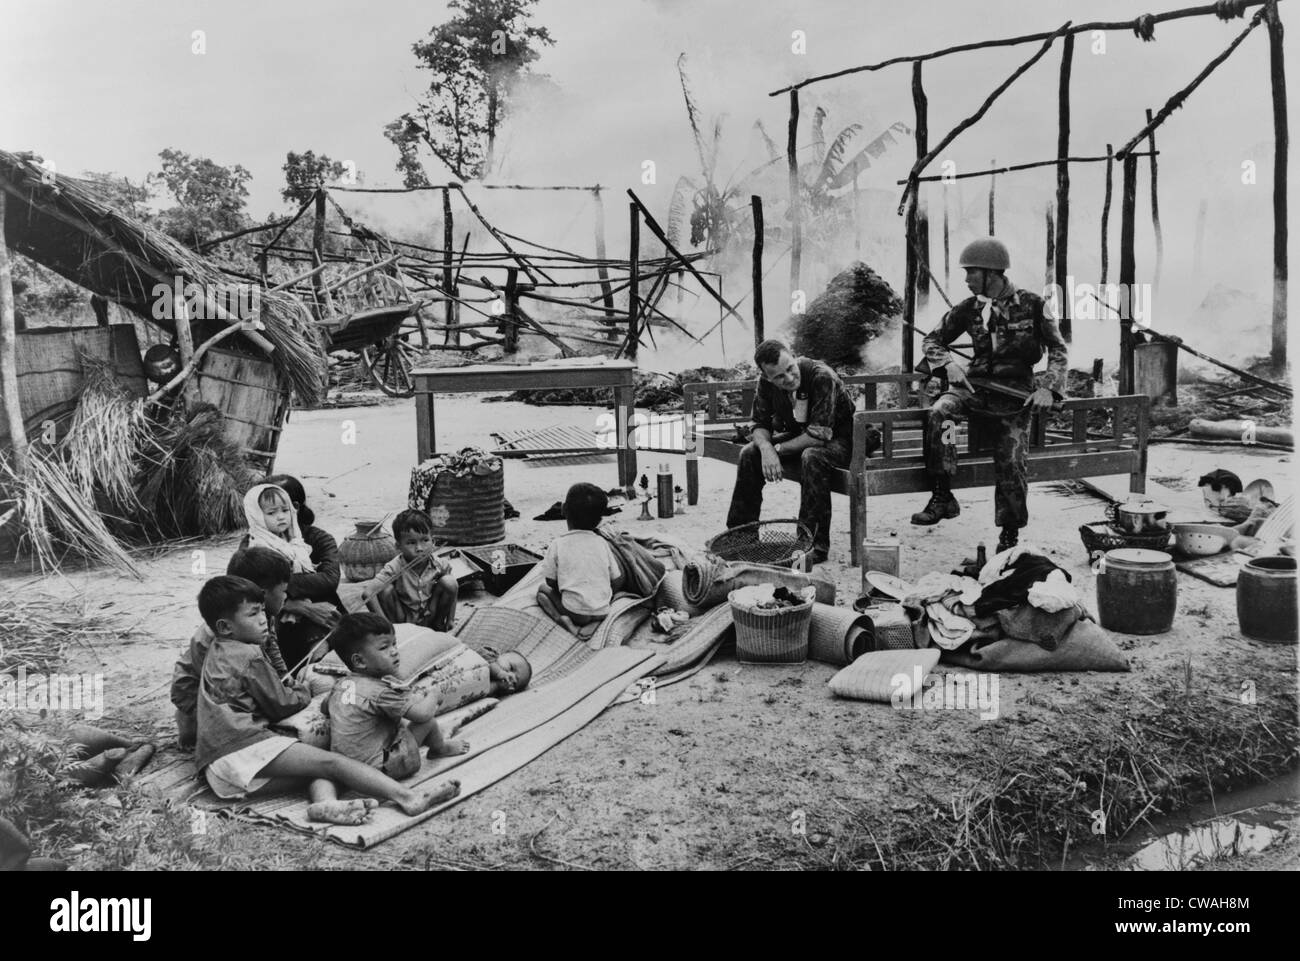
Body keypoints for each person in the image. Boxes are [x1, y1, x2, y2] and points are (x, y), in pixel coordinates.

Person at [193, 576, 458, 824]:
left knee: (319, 767)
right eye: (253, 614)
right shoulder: (248, 655)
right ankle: (409, 798)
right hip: (241, 747)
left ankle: (325, 804)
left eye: (262, 610)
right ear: (225, 626)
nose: (263, 619)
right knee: (336, 762)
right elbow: (282, 703)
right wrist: (304, 690)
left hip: (220, 771)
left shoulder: (217, 650)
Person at [911, 237, 1067, 553]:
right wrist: (948, 363)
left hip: (1014, 398)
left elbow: (1058, 349)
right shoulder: (971, 308)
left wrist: (1048, 388)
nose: (967, 279)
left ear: (991, 273)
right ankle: (943, 495)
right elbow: (932, 341)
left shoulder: (1033, 304)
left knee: (1011, 460)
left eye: (971, 273)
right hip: (975, 390)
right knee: (943, 416)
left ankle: (1009, 535)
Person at [724, 339, 861, 565]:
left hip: (842, 439)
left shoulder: (821, 377)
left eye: (790, 369)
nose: (788, 378)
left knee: (812, 457)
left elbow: (817, 437)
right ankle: (741, 538)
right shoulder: (765, 383)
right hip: (802, 434)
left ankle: (811, 544)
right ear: (767, 377)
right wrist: (767, 449)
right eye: (779, 376)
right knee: (750, 453)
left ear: (793, 356)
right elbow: (759, 424)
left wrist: (777, 449)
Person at [170, 546, 292, 749]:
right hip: (195, 687)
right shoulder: (212, 639)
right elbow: (214, 682)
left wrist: (284, 678)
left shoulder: (260, 618)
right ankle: (189, 723)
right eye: (284, 591)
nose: (286, 597)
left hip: (232, 678)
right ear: (262, 593)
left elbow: (272, 648)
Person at [323, 613, 471, 779]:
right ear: (359, 661)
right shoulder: (381, 692)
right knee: (425, 722)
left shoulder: (339, 685)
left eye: (394, 644)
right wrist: (434, 694)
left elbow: (325, 706)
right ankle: (439, 748)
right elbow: (422, 714)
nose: (394, 651)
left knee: (393, 720)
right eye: (384, 647)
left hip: (347, 770)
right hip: (382, 768)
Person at [241, 476, 344, 668]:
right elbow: (245, 586)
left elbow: (329, 580)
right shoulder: (254, 542)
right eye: (269, 511)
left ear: (293, 506)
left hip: (320, 608)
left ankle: (319, 660)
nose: (279, 516)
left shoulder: (318, 539)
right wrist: (296, 605)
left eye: (284, 509)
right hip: (275, 612)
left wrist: (275, 584)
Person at [535, 483, 624, 638]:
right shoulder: (602, 542)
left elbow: (550, 581)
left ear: (563, 509)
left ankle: (562, 620)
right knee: (602, 597)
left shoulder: (557, 544)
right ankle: (595, 622)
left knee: (542, 591)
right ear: (599, 520)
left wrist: (565, 588)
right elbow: (616, 579)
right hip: (602, 610)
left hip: (574, 611)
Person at [365, 509, 458, 632]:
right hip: (404, 618)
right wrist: (385, 626)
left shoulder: (440, 564)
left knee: (449, 582)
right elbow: (367, 593)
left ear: (433, 541)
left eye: (425, 540)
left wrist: (451, 619)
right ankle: (396, 630)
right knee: (385, 590)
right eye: (411, 543)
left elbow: (454, 590)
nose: (419, 548)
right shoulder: (394, 567)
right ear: (398, 546)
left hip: (430, 612)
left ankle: (439, 625)